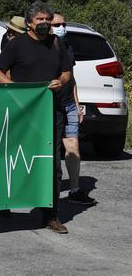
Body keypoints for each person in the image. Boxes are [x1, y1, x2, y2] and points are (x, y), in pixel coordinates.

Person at [0, 1, 72, 234]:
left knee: (52, 164)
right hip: (21, 114)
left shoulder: (57, 43)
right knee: (13, 159)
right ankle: (3, 200)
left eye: (48, 19)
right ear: (29, 23)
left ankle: (50, 214)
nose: (45, 23)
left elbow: (67, 72)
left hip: (51, 113)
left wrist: (62, 81)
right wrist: (14, 89)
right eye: (40, 20)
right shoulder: (16, 46)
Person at [52, 12, 96, 206]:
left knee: (73, 146)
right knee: (49, 150)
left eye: (64, 23)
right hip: (49, 106)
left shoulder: (67, 46)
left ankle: (75, 189)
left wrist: (77, 105)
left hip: (69, 104)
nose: (61, 27)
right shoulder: (41, 49)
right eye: (57, 24)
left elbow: (72, 78)